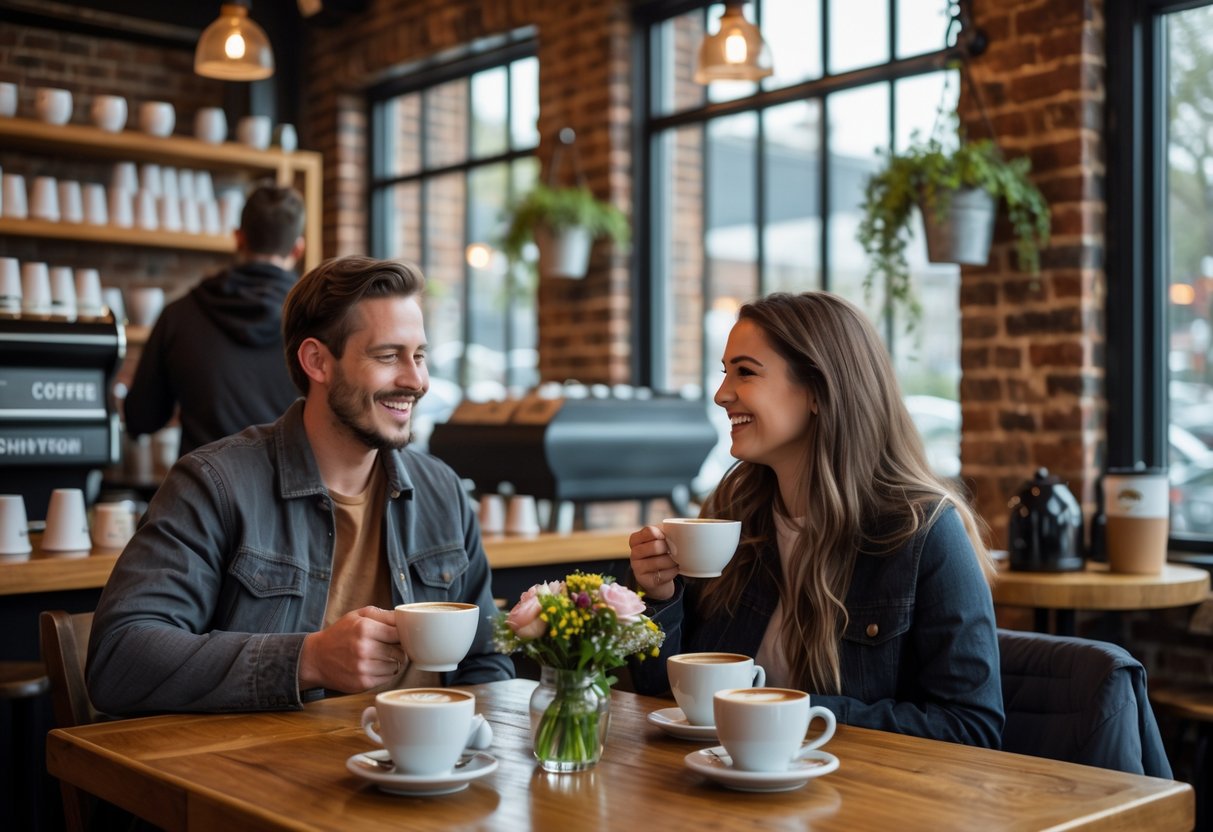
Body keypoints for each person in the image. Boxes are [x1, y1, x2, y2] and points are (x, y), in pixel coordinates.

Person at [88, 255, 514, 715]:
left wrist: (466, 739)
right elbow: (119, 659)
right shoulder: (215, 484)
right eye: (389, 356)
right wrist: (306, 659)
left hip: (431, 772)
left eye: (420, 356)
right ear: (317, 361)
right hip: (268, 776)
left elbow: (487, 659)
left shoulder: (442, 490)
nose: (416, 380)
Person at [628, 291, 1003, 748]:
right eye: (725, 372)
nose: (722, 394)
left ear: (819, 392)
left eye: (745, 372)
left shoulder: (923, 531)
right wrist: (659, 598)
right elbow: (660, 692)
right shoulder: (734, 512)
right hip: (728, 788)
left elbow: (972, 730)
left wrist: (794, 711)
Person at [123, 183, 307, 456]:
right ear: (297, 249)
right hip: (291, 493)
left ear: (238, 238)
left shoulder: (179, 314)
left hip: (201, 491)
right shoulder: (315, 320)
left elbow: (141, 418)